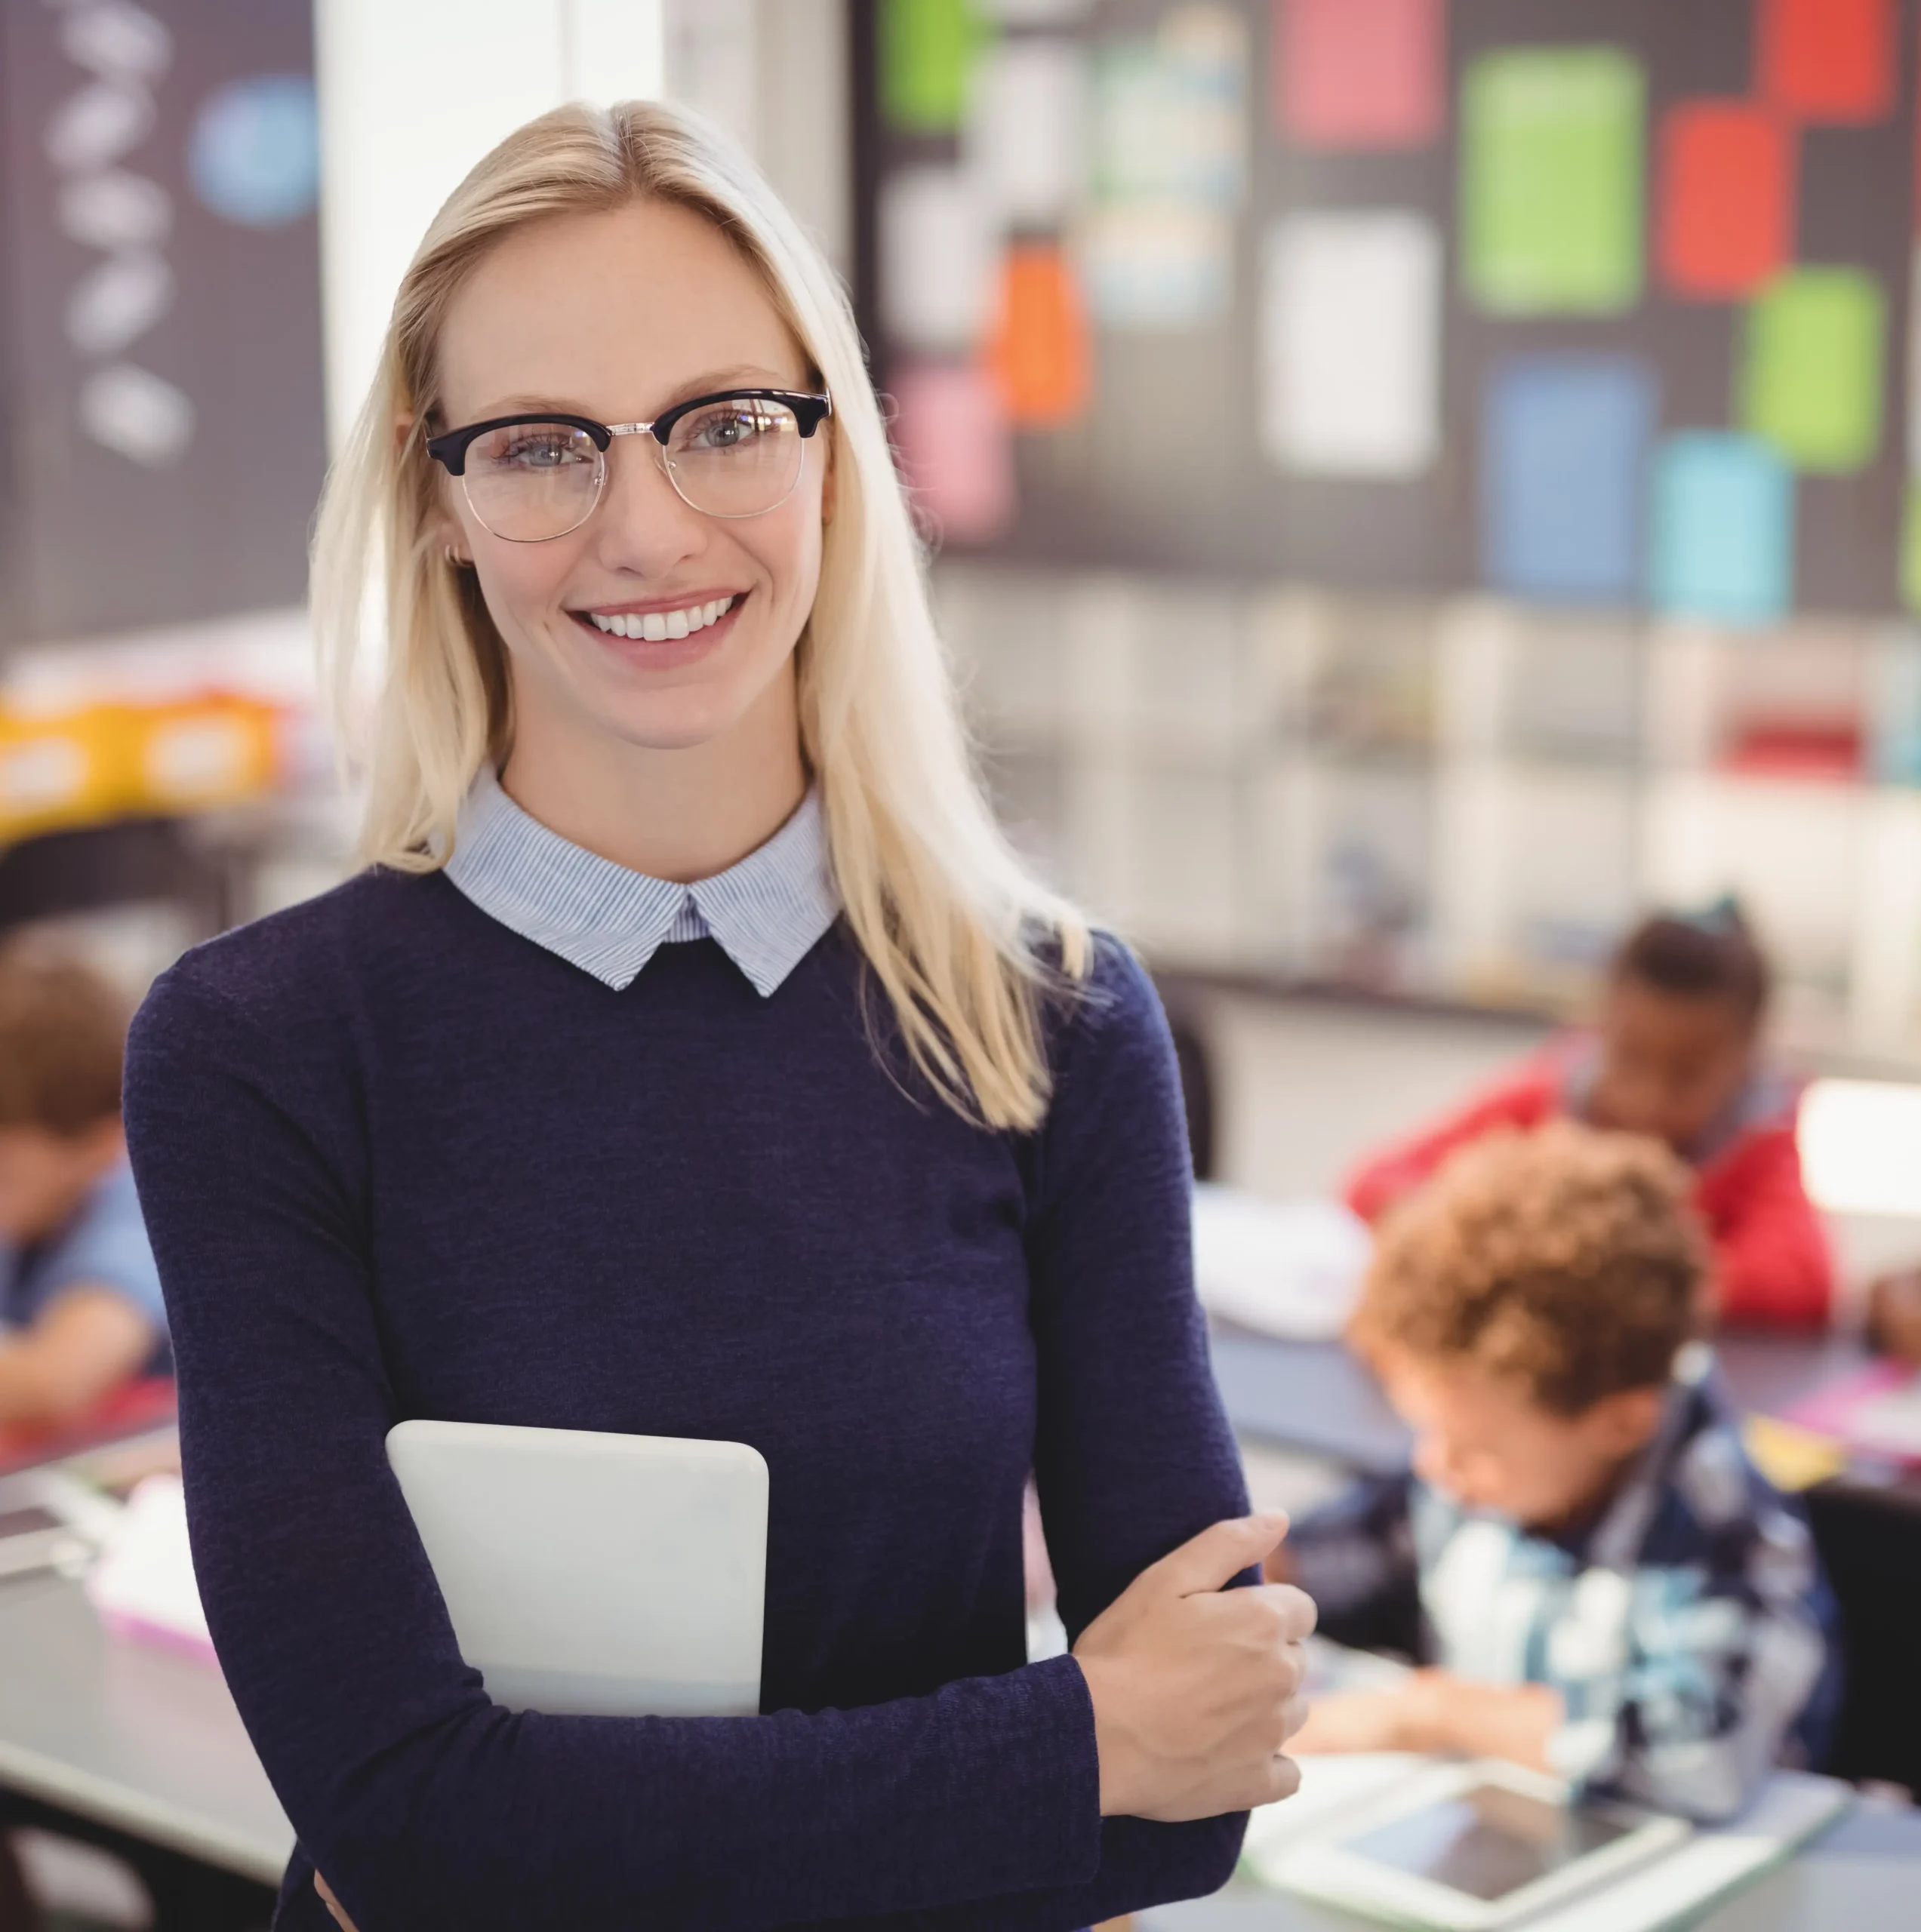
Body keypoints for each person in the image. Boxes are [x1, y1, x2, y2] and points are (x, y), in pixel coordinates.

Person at [121, 100, 1313, 1932]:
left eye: (725, 422)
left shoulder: (1050, 1018)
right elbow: (405, 1824)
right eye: (539, 447)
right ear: (439, 499)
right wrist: (1069, 1742)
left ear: (832, 453)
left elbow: (1196, 1789)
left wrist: (555, 1829)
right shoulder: (259, 1050)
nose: (645, 525)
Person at [1278, 1121, 1839, 1821]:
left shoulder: (1719, 1517)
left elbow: (1700, 1757)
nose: (1436, 1467)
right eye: (1427, 1434)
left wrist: (1436, 1715)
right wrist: (1256, 1573)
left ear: (1620, 1423)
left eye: (1472, 1447)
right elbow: (1342, 1552)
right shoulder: (1480, 1466)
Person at [1344, 903, 1833, 1328]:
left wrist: (1627, 1273)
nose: (1648, 1100)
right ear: (1600, 1028)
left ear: (1747, 1061)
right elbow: (1374, 1182)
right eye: (1630, 1059)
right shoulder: (1539, 1102)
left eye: (1686, 1075)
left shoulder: (1758, 1142)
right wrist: (1487, 1240)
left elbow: (1804, 1277)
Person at [0, 936, 168, 1432]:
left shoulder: (136, 1213)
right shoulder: (28, 1210)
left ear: (100, 1146)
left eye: (7, 1172)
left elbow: (61, 1381)